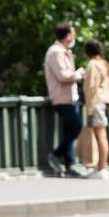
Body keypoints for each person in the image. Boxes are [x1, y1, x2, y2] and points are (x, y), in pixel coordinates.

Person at [42, 22, 81, 178]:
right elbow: (63, 76)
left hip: (70, 98)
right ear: (68, 35)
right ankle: (55, 154)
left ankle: (69, 165)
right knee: (77, 128)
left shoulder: (65, 51)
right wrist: (79, 74)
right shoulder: (56, 52)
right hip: (61, 98)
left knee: (68, 131)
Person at [79, 39, 109, 176]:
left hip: (96, 103)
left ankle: (101, 168)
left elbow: (91, 87)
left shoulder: (92, 64)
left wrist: (89, 109)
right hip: (104, 102)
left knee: (100, 136)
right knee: (101, 135)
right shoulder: (105, 64)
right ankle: (100, 167)